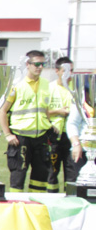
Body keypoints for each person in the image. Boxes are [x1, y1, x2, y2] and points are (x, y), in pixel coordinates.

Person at [0, 50, 54, 193]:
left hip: (41, 138)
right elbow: (2, 111)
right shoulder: (16, 85)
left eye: (43, 64)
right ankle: (16, 208)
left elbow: (45, 109)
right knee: (18, 176)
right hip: (20, 138)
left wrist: (50, 124)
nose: (40, 67)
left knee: (41, 178)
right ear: (27, 64)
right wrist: (8, 134)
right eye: (36, 64)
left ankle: (37, 208)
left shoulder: (46, 85)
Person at [48, 57, 76, 189]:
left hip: (71, 136)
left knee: (72, 172)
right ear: (57, 71)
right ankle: (49, 200)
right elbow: (42, 111)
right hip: (54, 134)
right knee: (52, 171)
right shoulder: (49, 88)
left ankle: (70, 199)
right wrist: (58, 111)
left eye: (71, 70)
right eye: (65, 71)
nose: (68, 74)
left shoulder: (76, 89)